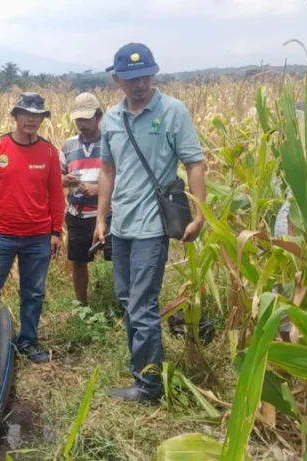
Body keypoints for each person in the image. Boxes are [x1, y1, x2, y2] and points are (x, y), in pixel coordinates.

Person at [94, 43, 207, 405]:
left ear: (154, 74)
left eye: (145, 76)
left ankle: (149, 385)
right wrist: (101, 218)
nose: (139, 84)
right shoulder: (112, 118)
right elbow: (107, 171)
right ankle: (143, 371)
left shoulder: (173, 112)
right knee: (129, 300)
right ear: (117, 80)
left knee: (142, 305)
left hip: (153, 227)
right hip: (122, 225)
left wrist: (201, 213)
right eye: (131, 78)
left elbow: (194, 163)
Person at [0, 92, 65, 365]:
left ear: (42, 119)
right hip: (3, 236)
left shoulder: (48, 152)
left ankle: (28, 341)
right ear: (16, 116)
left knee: (33, 292)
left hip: (38, 237)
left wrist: (56, 231)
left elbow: (56, 195)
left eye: (37, 115)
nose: (32, 120)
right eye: (26, 114)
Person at [60, 92, 113, 306]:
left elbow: (124, 176)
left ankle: (122, 303)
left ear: (99, 117)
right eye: (78, 119)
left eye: (87, 119)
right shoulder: (68, 145)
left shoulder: (111, 143)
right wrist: (66, 179)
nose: (82, 124)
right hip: (78, 214)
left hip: (109, 213)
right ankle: (81, 305)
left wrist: (99, 188)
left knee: (119, 259)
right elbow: (56, 177)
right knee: (78, 262)